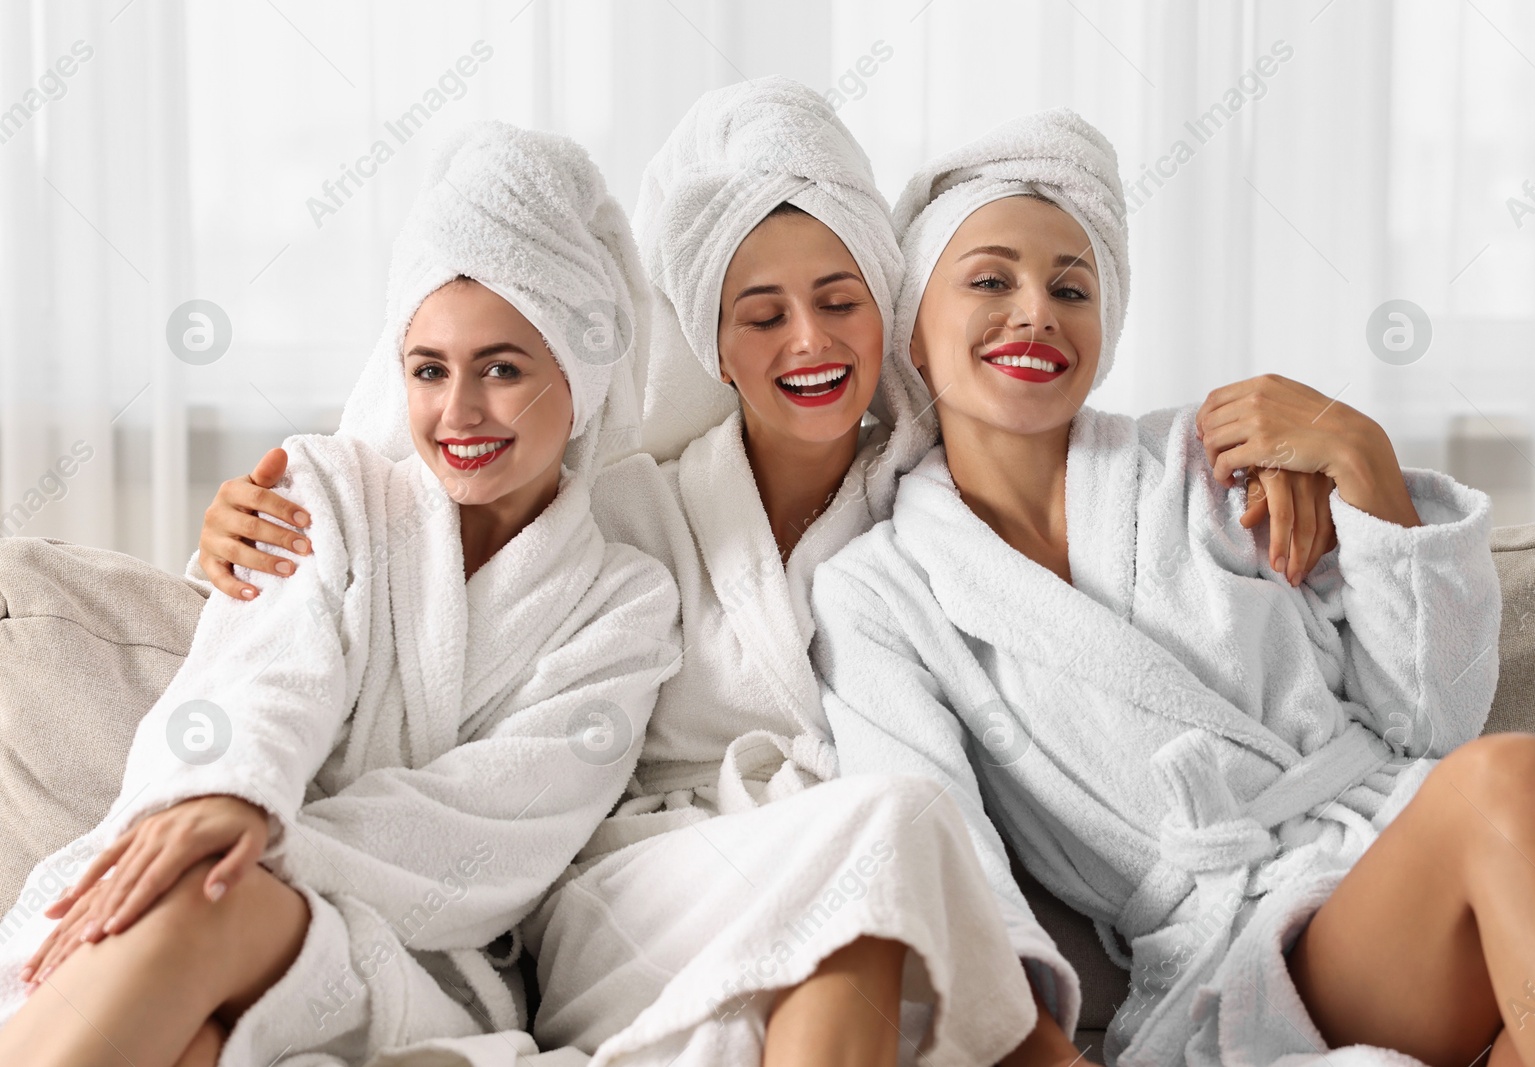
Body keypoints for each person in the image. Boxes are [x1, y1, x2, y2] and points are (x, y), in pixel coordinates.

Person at [195, 82, 1339, 1067]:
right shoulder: (633, 507)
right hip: (641, 888)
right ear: (716, 339)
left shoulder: (936, 509)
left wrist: (1269, 465)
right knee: (883, 831)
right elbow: (449, 488)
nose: (809, 341)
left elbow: (1090, 517)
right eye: (762, 313)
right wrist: (259, 518)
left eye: (840, 302)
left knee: (856, 931)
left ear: (882, 311)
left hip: (865, 893)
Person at [811, 106, 1535, 1067]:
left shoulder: (1212, 461)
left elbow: (1430, 721)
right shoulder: (880, 592)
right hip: (1253, 963)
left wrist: (1364, 457)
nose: (1038, 311)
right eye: (990, 280)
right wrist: (1027, 1039)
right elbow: (930, 836)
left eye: (1073, 287)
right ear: (913, 339)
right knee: (1513, 777)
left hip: (1407, 879)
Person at [0, 123, 681, 1067]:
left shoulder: (624, 602)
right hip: (239, 859)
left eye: (504, 369)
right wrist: (232, 792)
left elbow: (502, 821)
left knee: (205, 893)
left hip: (421, 959)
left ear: (582, 376)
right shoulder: (326, 488)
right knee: (195, 1037)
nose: (460, 412)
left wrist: (260, 834)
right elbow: (258, 671)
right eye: (430, 369)